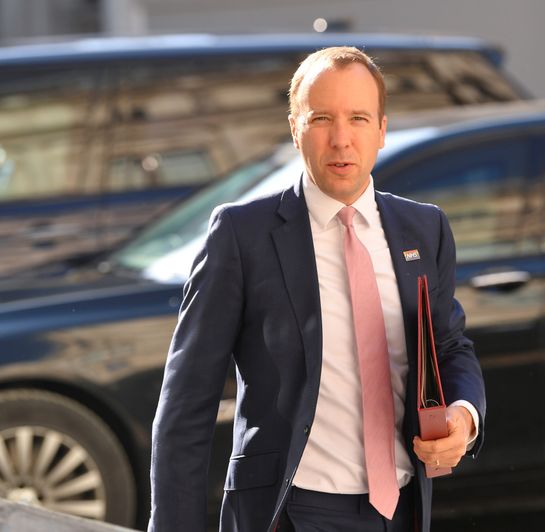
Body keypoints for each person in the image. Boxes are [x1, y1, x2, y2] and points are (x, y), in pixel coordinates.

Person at [149, 46, 486, 532]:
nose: (342, 140)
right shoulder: (243, 236)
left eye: (359, 118)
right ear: (294, 127)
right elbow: (186, 406)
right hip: (290, 512)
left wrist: (464, 414)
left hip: (403, 509)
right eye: (322, 118)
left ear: (382, 129)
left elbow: (451, 346)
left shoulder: (424, 228)